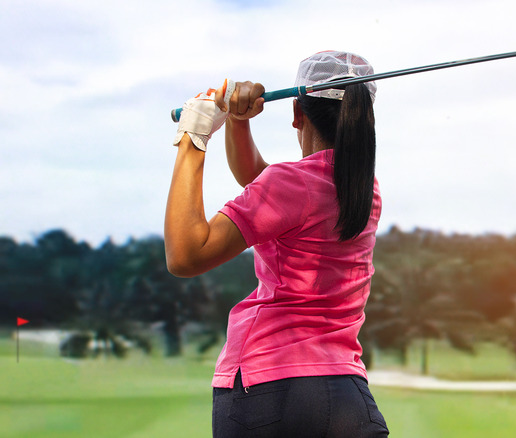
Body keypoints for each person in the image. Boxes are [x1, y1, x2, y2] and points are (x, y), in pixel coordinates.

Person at [165, 51, 389, 437]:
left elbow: (185, 255)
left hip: (270, 391)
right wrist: (238, 122)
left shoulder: (291, 186)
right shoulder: (364, 191)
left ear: (297, 114)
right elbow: (261, 182)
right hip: (348, 398)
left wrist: (194, 135)